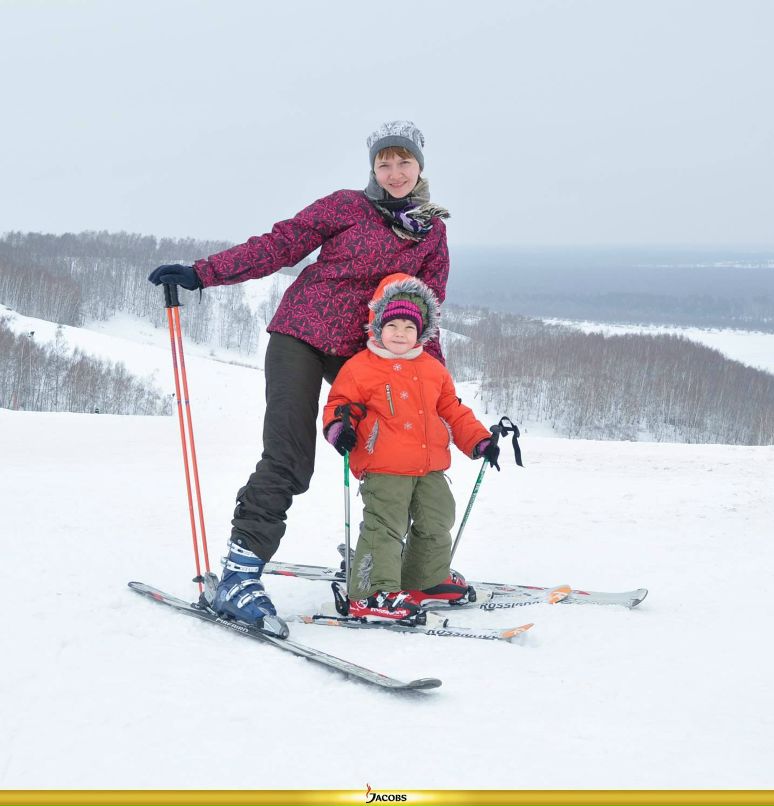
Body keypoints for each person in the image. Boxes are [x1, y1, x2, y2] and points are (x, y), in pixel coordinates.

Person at [148, 121, 454, 627]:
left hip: (363, 355)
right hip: (301, 335)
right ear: (373, 168)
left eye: (404, 162)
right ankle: (240, 575)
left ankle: (379, 566)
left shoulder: (433, 234)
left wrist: (437, 393)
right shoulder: (345, 206)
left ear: (420, 166)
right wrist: (205, 273)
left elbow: (428, 313)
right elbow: (280, 244)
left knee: (402, 447)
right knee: (290, 458)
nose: (394, 172)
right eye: (384, 162)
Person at [323, 273, 501, 621]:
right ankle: (371, 592)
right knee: (386, 526)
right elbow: (340, 405)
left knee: (438, 518)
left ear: (421, 331)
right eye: (393, 325)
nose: (401, 333)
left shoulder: (432, 369)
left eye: (409, 326)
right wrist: (339, 429)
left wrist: (479, 440)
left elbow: (452, 410)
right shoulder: (360, 368)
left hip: (430, 466)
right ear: (377, 325)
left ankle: (425, 579)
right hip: (384, 466)